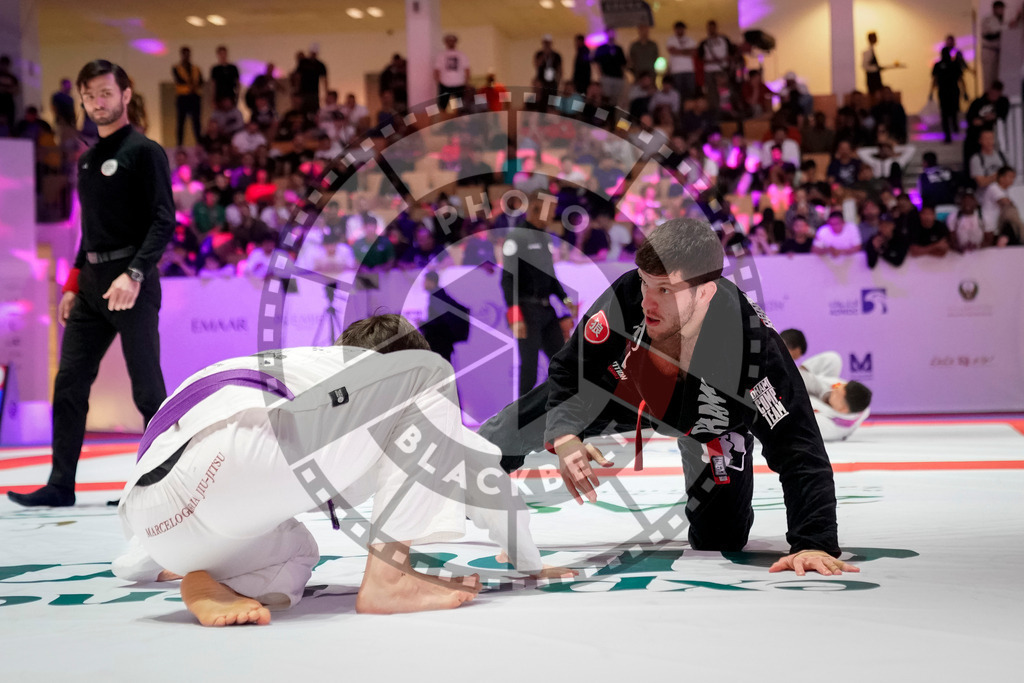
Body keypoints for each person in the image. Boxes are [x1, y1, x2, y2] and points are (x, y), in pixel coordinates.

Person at [111, 314, 575, 626]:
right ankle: (388, 580)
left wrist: (168, 556)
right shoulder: (384, 377)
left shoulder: (301, 373)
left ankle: (209, 577)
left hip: (154, 519)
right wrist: (527, 559)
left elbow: (139, 547)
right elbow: (481, 471)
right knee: (431, 376)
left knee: (297, 551)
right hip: (235, 461)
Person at [479, 218, 858, 576]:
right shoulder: (628, 296)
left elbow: (799, 445)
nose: (648, 300)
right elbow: (569, 369)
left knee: (720, 539)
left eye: (665, 289)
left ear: (705, 290)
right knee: (504, 434)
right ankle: (447, 493)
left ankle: (711, 455)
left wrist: (814, 542)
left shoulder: (751, 346)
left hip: (711, 422)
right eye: (646, 282)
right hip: (625, 390)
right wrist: (565, 435)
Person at [8, 60, 173, 508]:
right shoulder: (86, 160)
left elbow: (163, 222)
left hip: (132, 282)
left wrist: (135, 273)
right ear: (81, 99)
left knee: (147, 389)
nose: (98, 103)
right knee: (70, 384)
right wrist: (70, 284)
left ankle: (161, 486)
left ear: (125, 94)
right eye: (90, 95)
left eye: (106, 93)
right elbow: (90, 232)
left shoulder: (145, 151)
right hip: (92, 284)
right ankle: (61, 484)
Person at [499, 192, 577, 396]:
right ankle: (519, 419)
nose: (552, 216)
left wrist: (565, 299)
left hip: (546, 310)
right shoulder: (516, 237)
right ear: (535, 209)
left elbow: (550, 276)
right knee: (530, 369)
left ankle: (558, 410)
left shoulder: (544, 238)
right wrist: (515, 316)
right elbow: (507, 279)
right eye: (549, 211)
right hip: (526, 310)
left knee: (561, 363)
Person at [797, 350, 872, 441]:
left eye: (837, 393)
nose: (835, 389)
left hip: (797, 400)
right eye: (839, 387)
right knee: (833, 359)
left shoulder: (828, 427)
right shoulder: (848, 395)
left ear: (843, 409)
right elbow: (817, 382)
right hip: (813, 385)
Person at [419, 272, 471, 363]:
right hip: (443, 340)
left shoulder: (437, 296)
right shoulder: (441, 295)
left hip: (439, 341)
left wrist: (423, 324)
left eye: (425, 281)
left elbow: (439, 320)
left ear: (431, 282)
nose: (423, 283)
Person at [930, 38, 969, 144]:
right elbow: (935, 79)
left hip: (952, 91)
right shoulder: (939, 65)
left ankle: (953, 129)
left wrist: (965, 92)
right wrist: (930, 93)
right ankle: (948, 134)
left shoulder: (954, 65)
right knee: (946, 114)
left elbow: (961, 79)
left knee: (952, 112)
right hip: (945, 92)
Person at [172, 46, 203, 147]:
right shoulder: (176, 67)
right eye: (184, 54)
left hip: (194, 97)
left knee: (196, 121)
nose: (186, 56)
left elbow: (201, 81)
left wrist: (194, 87)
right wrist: (191, 86)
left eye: (188, 54)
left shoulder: (196, 68)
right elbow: (179, 80)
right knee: (181, 121)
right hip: (183, 97)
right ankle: (179, 144)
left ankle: (199, 142)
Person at [435, 34, 470, 111]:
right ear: (446, 42)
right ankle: (442, 121)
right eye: (449, 41)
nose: (451, 43)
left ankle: (460, 121)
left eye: (452, 41)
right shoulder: (441, 55)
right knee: (442, 106)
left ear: (455, 42)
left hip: (459, 84)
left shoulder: (461, 55)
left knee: (460, 106)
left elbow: (467, 69)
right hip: (445, 84)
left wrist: (466, 82)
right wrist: (439, 82)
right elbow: (437, 70)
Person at [665, 21, 697, 102]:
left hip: (689, 70)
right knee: (678, 93)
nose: (680, 30)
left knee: (690, 92)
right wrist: (687, 51)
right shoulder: (671, 39)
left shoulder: (690, 39)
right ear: (675, 29)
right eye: (678, 28)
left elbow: (694, 52)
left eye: (681, 28)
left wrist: (679, 51)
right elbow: (672, 51)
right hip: (676, 71)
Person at [594, 29, 627, 106]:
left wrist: (623, 76)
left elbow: (623, 64)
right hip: (607, 77)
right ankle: (605, 116)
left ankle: (613, 116)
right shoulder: (601, 48)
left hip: (618, 77)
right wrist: (601, 75)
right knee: (606, 99)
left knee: (616, 100)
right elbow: (597, 63)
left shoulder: (618, 49)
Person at [0, 54, 20, 133]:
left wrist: (5, 89)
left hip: (8, 103)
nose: (4, 66)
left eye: (6, 64)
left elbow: (16, 90)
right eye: (3, 64)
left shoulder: (12, 77)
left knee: (10, 123)